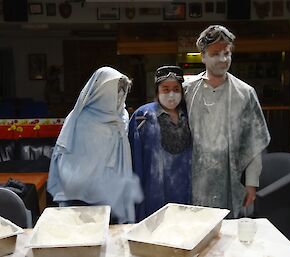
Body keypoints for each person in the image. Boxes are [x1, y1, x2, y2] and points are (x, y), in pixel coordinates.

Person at [183, 25, 270, 218]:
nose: (222, 59)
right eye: (215, 54)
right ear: (203, 56)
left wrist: (251, 183)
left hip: (230, 179)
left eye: (227, 53)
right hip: (193, 179)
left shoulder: (245, 93)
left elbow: (254, 142)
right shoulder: (187, 91)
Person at [47, 66, 143, 223]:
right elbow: (68, 158)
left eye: (123, 90)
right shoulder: (81, 119)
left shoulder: (122, 116)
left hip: (115, 192)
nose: (120, 95)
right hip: (82, 198)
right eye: (116, 90)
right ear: (102, 91)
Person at [128, 65, 192, 221]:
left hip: (185, 187)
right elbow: (133, 157)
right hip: (153, 189)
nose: (171, 94)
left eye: (176, 89)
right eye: (165, 89)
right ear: (157, 91)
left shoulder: (191, 114)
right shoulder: (142, 116)